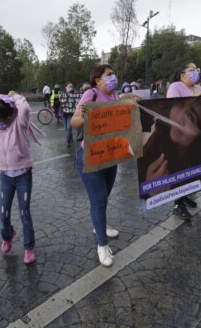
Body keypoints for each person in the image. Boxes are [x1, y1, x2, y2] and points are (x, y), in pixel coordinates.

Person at [0, 91, 42, 264]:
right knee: (2, 214)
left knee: (24, 213)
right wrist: (1, 97)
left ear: (8, 116)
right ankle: (8, 235)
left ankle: (29, 247)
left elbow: (25, 108)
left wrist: (15, 97)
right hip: (5, 175)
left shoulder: (20, 123)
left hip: (23, 176)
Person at [71, 64, 121, 267]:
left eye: (113, 74)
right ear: (97, 80)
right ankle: (102, 244)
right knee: (99, 200)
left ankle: (100, 225)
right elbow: (74, 122)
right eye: (109, 75)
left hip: (111, 155)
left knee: (103, 198)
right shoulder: (90, 95)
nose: (113, 77)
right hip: (91, 157)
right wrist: (83, 116)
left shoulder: (116, 95)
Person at [165, 61, 201, 220]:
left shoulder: (199, 88)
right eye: (192, 70)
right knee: (181, 168)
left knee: (192, 168)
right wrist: (194, 98)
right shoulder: (176, 86)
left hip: (197, 133)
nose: (195, 72)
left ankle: (184, 195)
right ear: (182, 75)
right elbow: (173, 107)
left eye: (196, 69)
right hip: (180, 134)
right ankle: (177, 204)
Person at [60, 82, 80, 147]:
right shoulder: (63, 94)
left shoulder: (74, 94)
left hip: (70, 114)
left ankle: (68, 141)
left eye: (71, 86)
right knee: (66, 128)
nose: (70, 88)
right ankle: (70, 138)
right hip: (64, 114)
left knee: (69, 128)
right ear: (66, 87)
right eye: (69, 86)